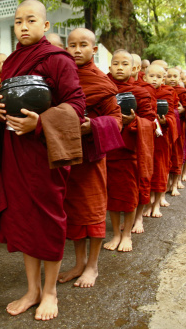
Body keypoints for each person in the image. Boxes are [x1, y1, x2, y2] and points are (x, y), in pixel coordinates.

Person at [0, 0, 85, 321]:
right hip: (14, 151)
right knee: (23, 219)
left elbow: (76, 105)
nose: (23, 27)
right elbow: (1, 97)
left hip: (44, 153)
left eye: (30, 21)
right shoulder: (10, 62)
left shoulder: (57, 60)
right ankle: (32, 289)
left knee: (48, 219)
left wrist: (39, 123)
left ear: (45, 26)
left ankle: (50, 291)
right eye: (18, 22)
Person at [58, 29, 122, 286]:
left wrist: (92, 125)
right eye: (72, 45)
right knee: (73, 210)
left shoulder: (101, 82)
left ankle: (93, 266)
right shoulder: (63, 78)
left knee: (93, 210)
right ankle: (79, 264)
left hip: (92, 155)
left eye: (83, 45)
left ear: (94, 50)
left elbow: (116, 121)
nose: (76, 50)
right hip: (66, 154)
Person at [105, 49, 155, 246]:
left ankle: (127, 235)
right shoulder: (104, 87)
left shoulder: (141, 92)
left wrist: (135, 120)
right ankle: (116, 233)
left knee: (129, 193)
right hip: (108, 149)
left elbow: (150, 121)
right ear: (109, 67)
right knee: (112, 195)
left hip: (129, 150)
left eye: (124, 64)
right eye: (116, 64)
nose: (119, 67)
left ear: (134, 68)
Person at [141, 64, 176, 218]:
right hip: (146, 136)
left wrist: (164, 121)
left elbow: (172, 115)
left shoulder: (168, 92)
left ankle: (156, 206)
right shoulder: (141, 91)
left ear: (163, 79)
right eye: (151, 76)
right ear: (144, 77)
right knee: (147, 171)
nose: (154, 79)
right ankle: (148, 204)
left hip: (162, 138)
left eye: (158, 77)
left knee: (160, 170)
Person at [166, 68, 186, 196]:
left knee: (177, 155)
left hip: (180, 127)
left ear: (179, 78)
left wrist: (183, 110)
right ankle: (167, 184)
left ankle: (175, 184)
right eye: (169, 76)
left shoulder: (183, 92)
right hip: (166, 127)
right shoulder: (163, 91)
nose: (171, 78)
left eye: (174, 76)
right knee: (167, 156)